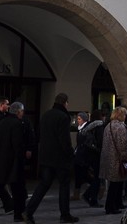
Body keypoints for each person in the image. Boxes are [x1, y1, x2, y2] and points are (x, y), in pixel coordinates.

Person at [24, 92, 77, 224]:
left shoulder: (46, 115)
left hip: (46, 156)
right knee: (64, 185)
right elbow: (64, 139)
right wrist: (70, 153)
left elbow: (40, 134)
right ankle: (65, 214)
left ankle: (28, 211)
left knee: (43, 185)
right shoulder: (63, 117)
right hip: (59, 158)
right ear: (65, 102)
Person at [101, 106, 127, 215]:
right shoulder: (121, 128)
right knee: (115, 185)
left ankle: (118, 203)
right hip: (117, 160)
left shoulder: (108, 126)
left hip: (108, 159)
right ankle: (110, 207)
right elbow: (123, 145)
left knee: (116, 183)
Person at [72, 112, 92, 202]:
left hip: (83, 156)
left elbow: (85, 143)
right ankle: (76, 193)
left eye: (79, 119)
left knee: (84, 174)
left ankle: (96, 186)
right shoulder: (80, 129)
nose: (77, 120)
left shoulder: (85, 130)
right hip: (78, 155)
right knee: (78, 175)